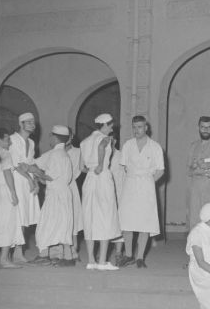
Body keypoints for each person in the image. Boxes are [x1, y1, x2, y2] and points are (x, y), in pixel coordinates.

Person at [117, 116, 165, 268]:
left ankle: (140, 257)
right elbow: (124, 167)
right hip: (130, 185)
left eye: (139, 127)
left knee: (145, 222)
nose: (136, 130)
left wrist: (148, 183)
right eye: (134, 127)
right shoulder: (128, 145)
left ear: (146, 128)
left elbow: (160, 170)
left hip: (146, 186)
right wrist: (134, 181)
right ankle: (128, 255)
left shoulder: (155, 147)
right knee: (127, 221)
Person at [80, 113, 121, 271]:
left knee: (89, 217)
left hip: (90, 179)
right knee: (106, 216)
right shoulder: (106, 138)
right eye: (110, 125)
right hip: (102, 177)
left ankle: (91, 261)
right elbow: (101, 146)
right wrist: (99, 165)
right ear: (104, 125)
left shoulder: (84, 142)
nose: (112, 128)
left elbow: (81, 167)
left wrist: (92, 169)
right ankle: (102, 262)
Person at [33, 125, 74, 266]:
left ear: (55, 138)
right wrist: (39, 175)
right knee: (62, 225)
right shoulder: (61, 153)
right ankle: (66, 257)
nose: (49, 138)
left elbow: (49, 176)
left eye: (50, 136)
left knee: (47, 223)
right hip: (62, 193)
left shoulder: (56, 154)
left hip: (57, 194)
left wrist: (35, 171)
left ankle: (45, 256)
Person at [8, 112, 41, 263]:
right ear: (21, 124)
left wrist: (37, 181)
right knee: (18, 216)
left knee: (25, 216)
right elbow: (16, 165)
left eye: (33, 122)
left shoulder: (32, 143)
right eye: (29, 122)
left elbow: (31, 164)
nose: (32, 125)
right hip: (17, 180)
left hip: (28, 181)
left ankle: (17, 252)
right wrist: (29, 180)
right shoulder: (13, 140)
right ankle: (14, 251)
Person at [187, 116, 210, 230]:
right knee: (194, 219)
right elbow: (188, 170)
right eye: (203, 127)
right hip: (196, 186)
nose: (205, 130)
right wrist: (193, 167)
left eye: (208, 127)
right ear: (198, 128)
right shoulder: (193, 146)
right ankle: (195, 241)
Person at [0, 128, 26, 268]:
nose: (9, 142)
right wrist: (13, 192)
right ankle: (4, 259)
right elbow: (7, 173)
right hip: (4, 191)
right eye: (7, 139)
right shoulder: (4, 153)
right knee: (8, 223)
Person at [66, 129, 84, 261]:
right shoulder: (56, 151)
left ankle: (74, 248)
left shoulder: (79, 151)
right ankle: (61, 250)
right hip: (58, 188)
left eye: (67, 135)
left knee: (74, 218)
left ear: (71, 136)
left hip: (71, 187)